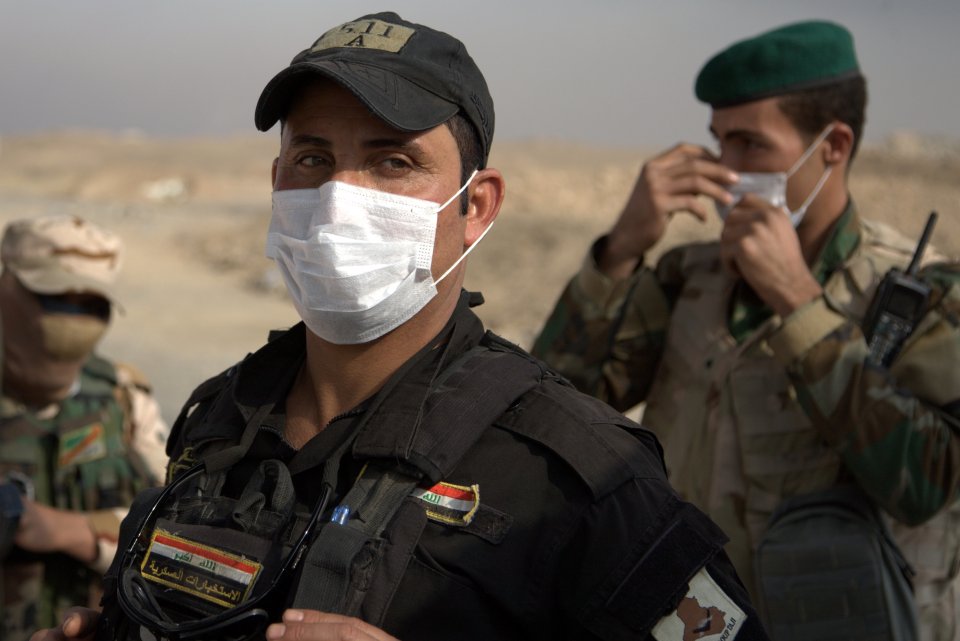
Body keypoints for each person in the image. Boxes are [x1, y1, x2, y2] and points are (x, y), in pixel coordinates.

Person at [31, 12, 769, 641]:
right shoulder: (223, 419)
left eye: (393, 162)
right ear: (276, 181)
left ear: (475, 207)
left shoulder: (574, 475)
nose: (338, 198)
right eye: (313, 158)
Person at [532, 19, 960, 640]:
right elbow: (561, 405)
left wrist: (799, 304)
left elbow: (926, 481)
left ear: (833, 146)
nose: (727, 169)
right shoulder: (690, 276)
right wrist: (621, 250)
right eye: (718, 143)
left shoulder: (918, 295)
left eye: (751, 145)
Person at [0, 214, 169, 640]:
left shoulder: (124, 398)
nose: (72, 318)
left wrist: (72, 531)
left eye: (89, 304)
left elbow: (172, 530)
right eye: (55, 297)